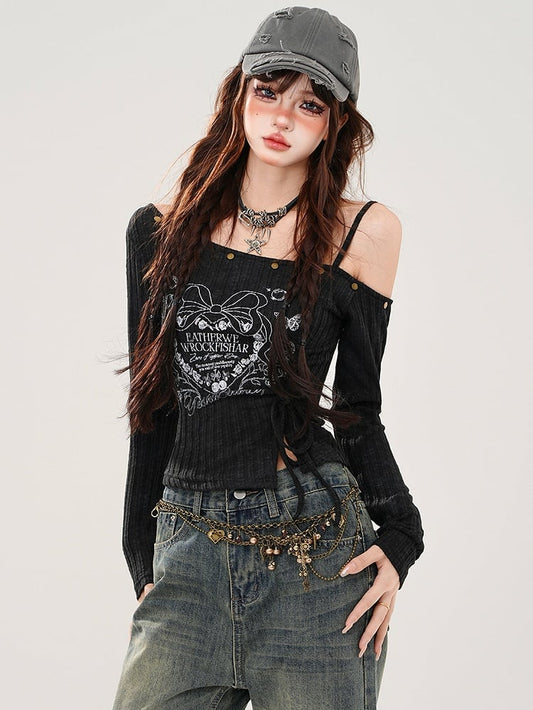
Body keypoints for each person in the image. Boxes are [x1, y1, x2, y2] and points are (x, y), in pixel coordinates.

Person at [112, 6, 424, 709]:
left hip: (314, 557)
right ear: (238, 95)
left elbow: (359, 410)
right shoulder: (158, 231)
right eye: (268, 91)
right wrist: (140, 553)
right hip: (187, 548)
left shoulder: (362, 233)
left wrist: (403, 536)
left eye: (310, 103)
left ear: (334, 123)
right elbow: (150, 407)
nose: (282, 117)